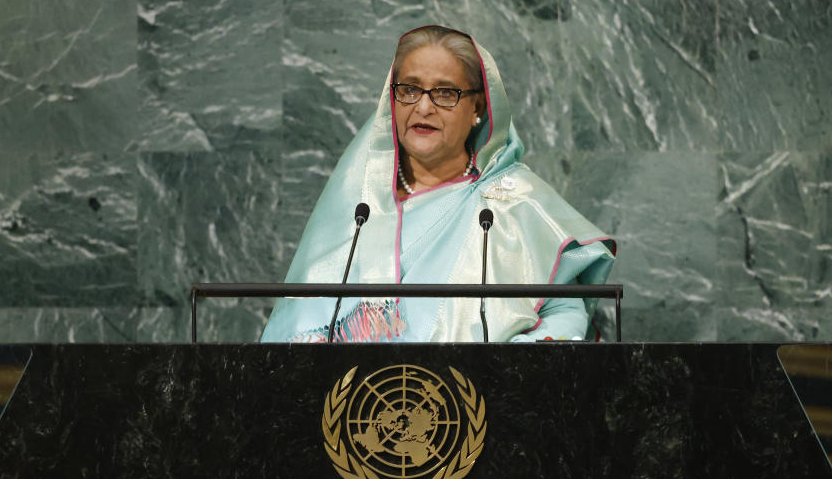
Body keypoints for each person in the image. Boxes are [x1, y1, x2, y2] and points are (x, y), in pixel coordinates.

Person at [261, 25, 615, 343]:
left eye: (445, 93)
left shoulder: (518, 205)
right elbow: (299, 327)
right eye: (410, 89)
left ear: (478, 105)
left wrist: (515, 363)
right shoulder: (357, 209)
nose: (424, 107)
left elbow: (563, 315)